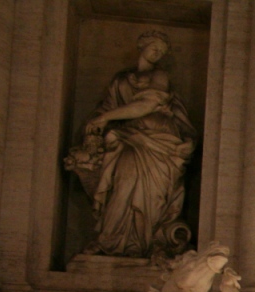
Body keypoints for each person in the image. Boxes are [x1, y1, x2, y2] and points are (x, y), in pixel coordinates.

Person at [65, 30, 197, 259]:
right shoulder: (120, 80)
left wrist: (105, 119)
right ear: (142, 45)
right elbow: (105, 110)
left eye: (162, 52)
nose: (158, 54)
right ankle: (110, 240)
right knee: (123, 184)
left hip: (161, 144)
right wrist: (98, 122)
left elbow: (147, 104)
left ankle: (149, 242)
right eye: (155, 48)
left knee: (155, 197)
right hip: (128, 139)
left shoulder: (160, 76)